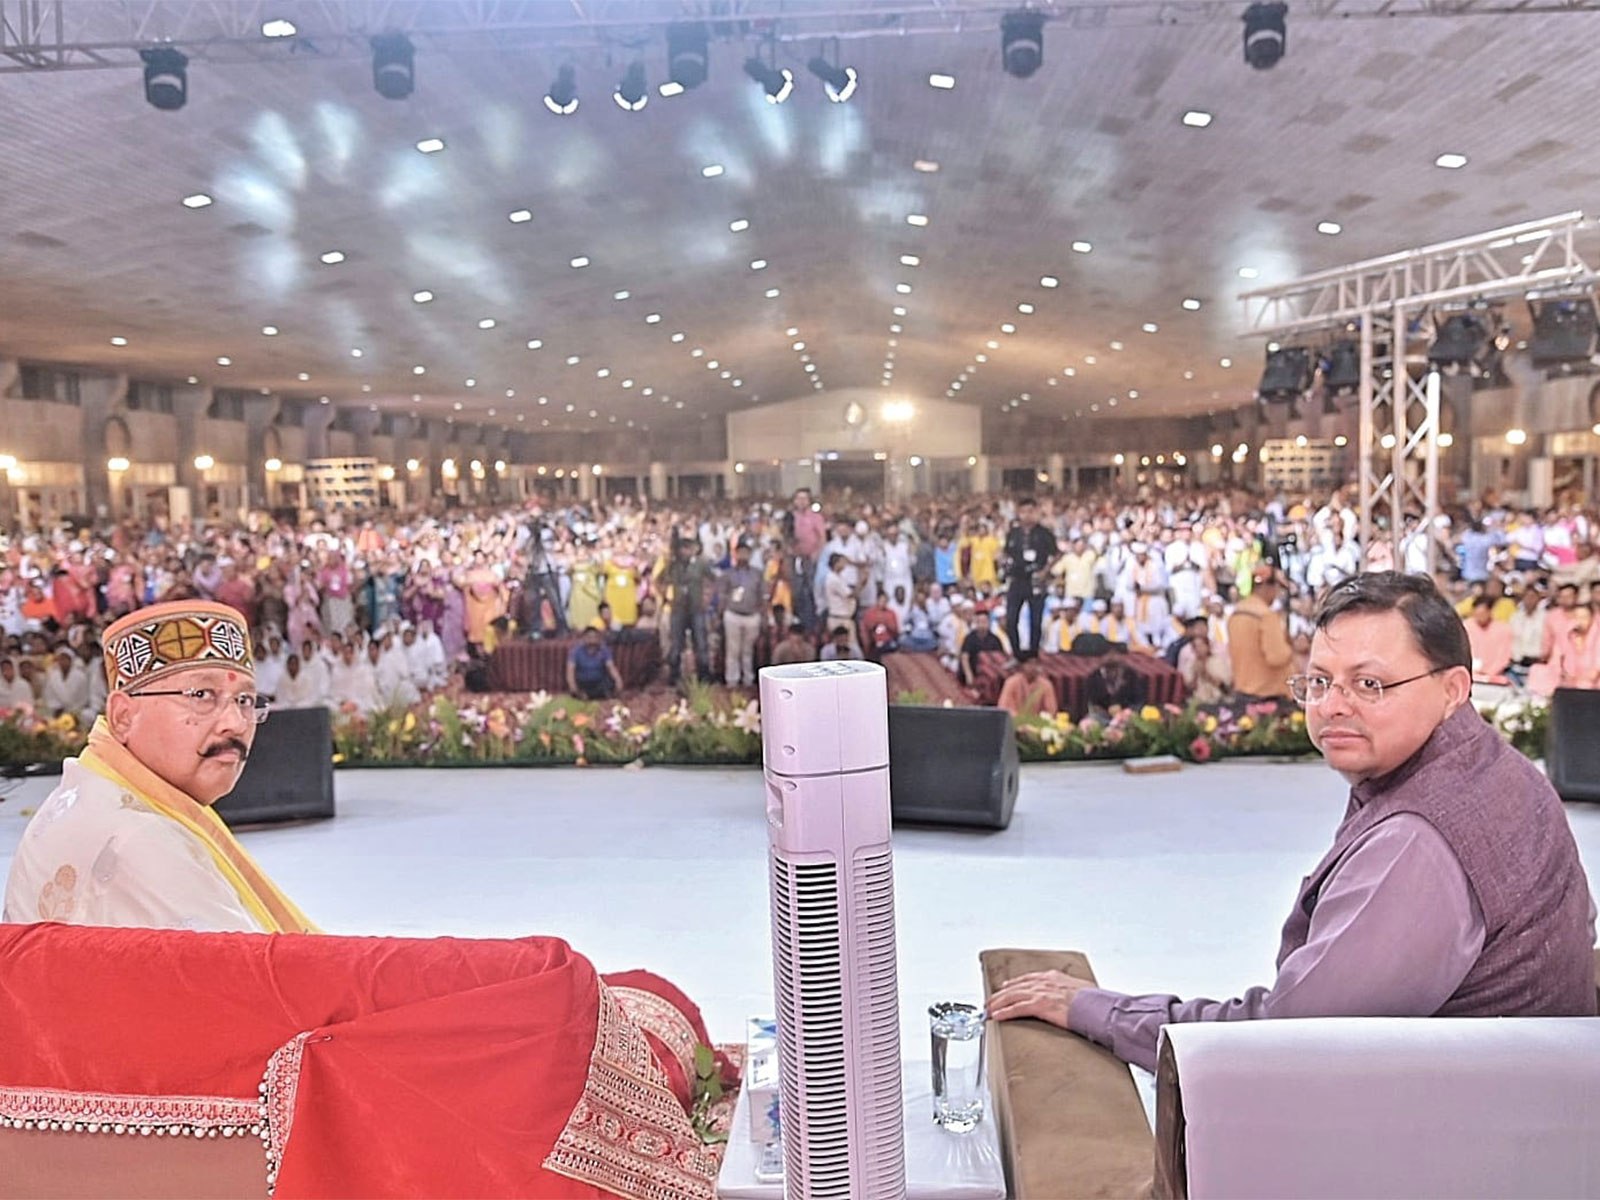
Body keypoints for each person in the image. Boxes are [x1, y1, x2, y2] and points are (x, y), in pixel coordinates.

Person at [990, 572, 1598, 1073]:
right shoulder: (1493, 766)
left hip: (1455, 1142)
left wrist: (1103, 1012)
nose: (1333, 705)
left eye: (1370, 684)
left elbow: (1282, 1043)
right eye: (1319, 682)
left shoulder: (1420, 841)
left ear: (1453, 689)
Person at [4, 600, 314, 932]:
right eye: (202, 695)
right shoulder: (140, 839)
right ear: (124, 716)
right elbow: (248, 978)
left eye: (244, 700)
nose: (236, 723)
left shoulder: (91, 785)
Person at [1002, 497, 1060, 660]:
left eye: (1030, 511)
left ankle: (1033, 656)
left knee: (1035, 621)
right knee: (1011, 620)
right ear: (1018, 513)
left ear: (1036, 512)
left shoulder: (1044, 533)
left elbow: (1056, 554)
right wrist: (1004, 562)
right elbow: (1006, 552)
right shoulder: (1013, 533)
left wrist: (1045, 571)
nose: (1027, 515)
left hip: (1036, 581)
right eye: (1024, 512)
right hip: (1017, 579)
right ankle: (1016, 654)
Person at [1227, 564, 1293, 700]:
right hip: (1268, 695)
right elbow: (1277, 657)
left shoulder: (1236, 614)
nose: (1277, 593)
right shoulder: (1266, 616)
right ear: (1269, 587)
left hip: (1242, 691)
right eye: (1277, 588)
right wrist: (1290, 650)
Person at [718, 539, 766, 687]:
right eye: (741, 553)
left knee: (747, 651)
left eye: (746, 553)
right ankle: (732, 680)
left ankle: (747, 680)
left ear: (750, 555)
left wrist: (763, 615)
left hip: (751, 615)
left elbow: (762, 596)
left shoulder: (757, 574)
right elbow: (723, 595)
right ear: (736, 554)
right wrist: (720, 614)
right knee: (733, 650)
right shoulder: (728, 574)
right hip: (733, 614)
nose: (743, 556)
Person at [1465, 595, 1513, 686]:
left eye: (1483, 613)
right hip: (1470, 673)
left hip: (1495, 676)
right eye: (1477, 614)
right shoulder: (1466, 626)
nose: (1480, 617)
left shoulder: (1503, 629)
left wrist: (1490, 674)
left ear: (1490, 611)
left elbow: (1504, 656)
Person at [566, 626, 624, 700]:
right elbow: (570, 670)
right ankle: (588, 695)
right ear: (583, 638)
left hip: (599, 682)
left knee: (610, 684)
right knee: (576, 691)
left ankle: (590, 696)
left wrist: (618, 681)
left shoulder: (604, 649)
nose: (592, 640)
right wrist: (572, 686)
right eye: (589, 637)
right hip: (583, 683)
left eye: (595, 637)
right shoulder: (576, 650)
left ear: (599, 639)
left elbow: (611, 667)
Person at [998, 655, 1057, 719]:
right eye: (1030, 664)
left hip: (1038, 724)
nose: (1034, 667)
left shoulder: (1046, 685)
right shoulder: (1011, 682)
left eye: (1036, 664)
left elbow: (1051, 711)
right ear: (1022, 666)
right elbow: (1004, 708)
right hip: (1014, 723)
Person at [959, 608, 1005, 687]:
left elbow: (1000, 658)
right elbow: (964, 657)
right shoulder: (969, 638)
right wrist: (969, 675)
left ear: (988, 623)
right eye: (979, 622)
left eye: (984, 622)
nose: (981, 625)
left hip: (991, 673)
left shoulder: (995, 639)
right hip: (974, 671)